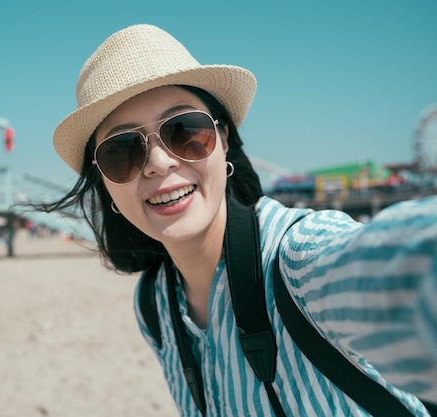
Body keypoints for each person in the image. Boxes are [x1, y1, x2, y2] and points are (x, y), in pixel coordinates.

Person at [38, 24, 437, 416]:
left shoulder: (296, 261)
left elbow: (400, 269)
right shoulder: (153, 306)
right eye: (122, 150)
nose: (159, 163)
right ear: (104, 183)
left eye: (184, 131)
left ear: (223, 140)